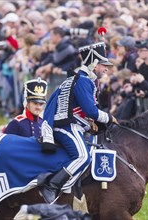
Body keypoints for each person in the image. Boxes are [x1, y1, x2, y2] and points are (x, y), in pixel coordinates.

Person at [39, 41, 118, 203]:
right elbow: (90, 110)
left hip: (72, 124)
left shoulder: (81, 79)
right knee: (83, 157)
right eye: (104, 65)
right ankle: (51, 185)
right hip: (67, 126)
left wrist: (91, 121)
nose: (106, 69)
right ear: (94, 64)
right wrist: (109, 118)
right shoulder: (82, 80)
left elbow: (79, 108)